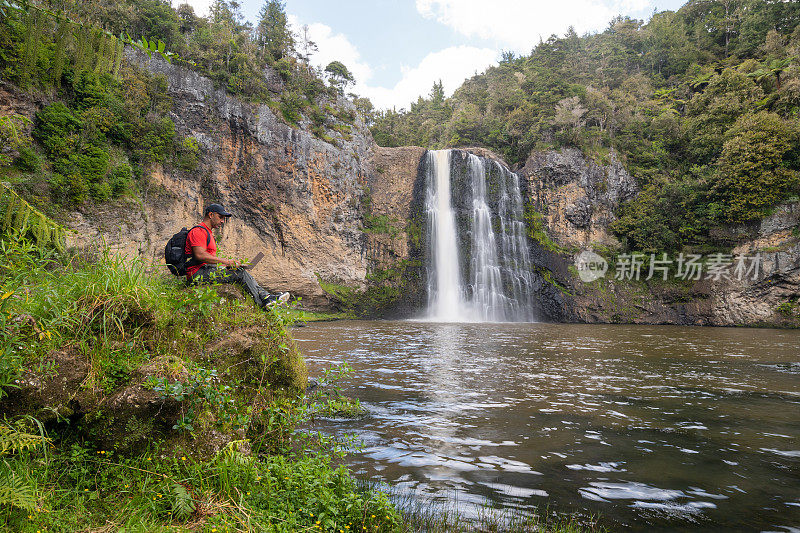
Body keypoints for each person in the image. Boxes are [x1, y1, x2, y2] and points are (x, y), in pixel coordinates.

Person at [185, 203, 290, 307]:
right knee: (240, 274)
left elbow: (206, 259)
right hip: (196, 274)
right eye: (220, 217)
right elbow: (200, 255)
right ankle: (264, 304)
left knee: (240, 271)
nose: (222, 221)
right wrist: (227, 262)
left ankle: (266, 297)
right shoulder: (198, 231)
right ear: (211, 215)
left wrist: (226, 266)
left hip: (205, 270)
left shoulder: (208, 233)